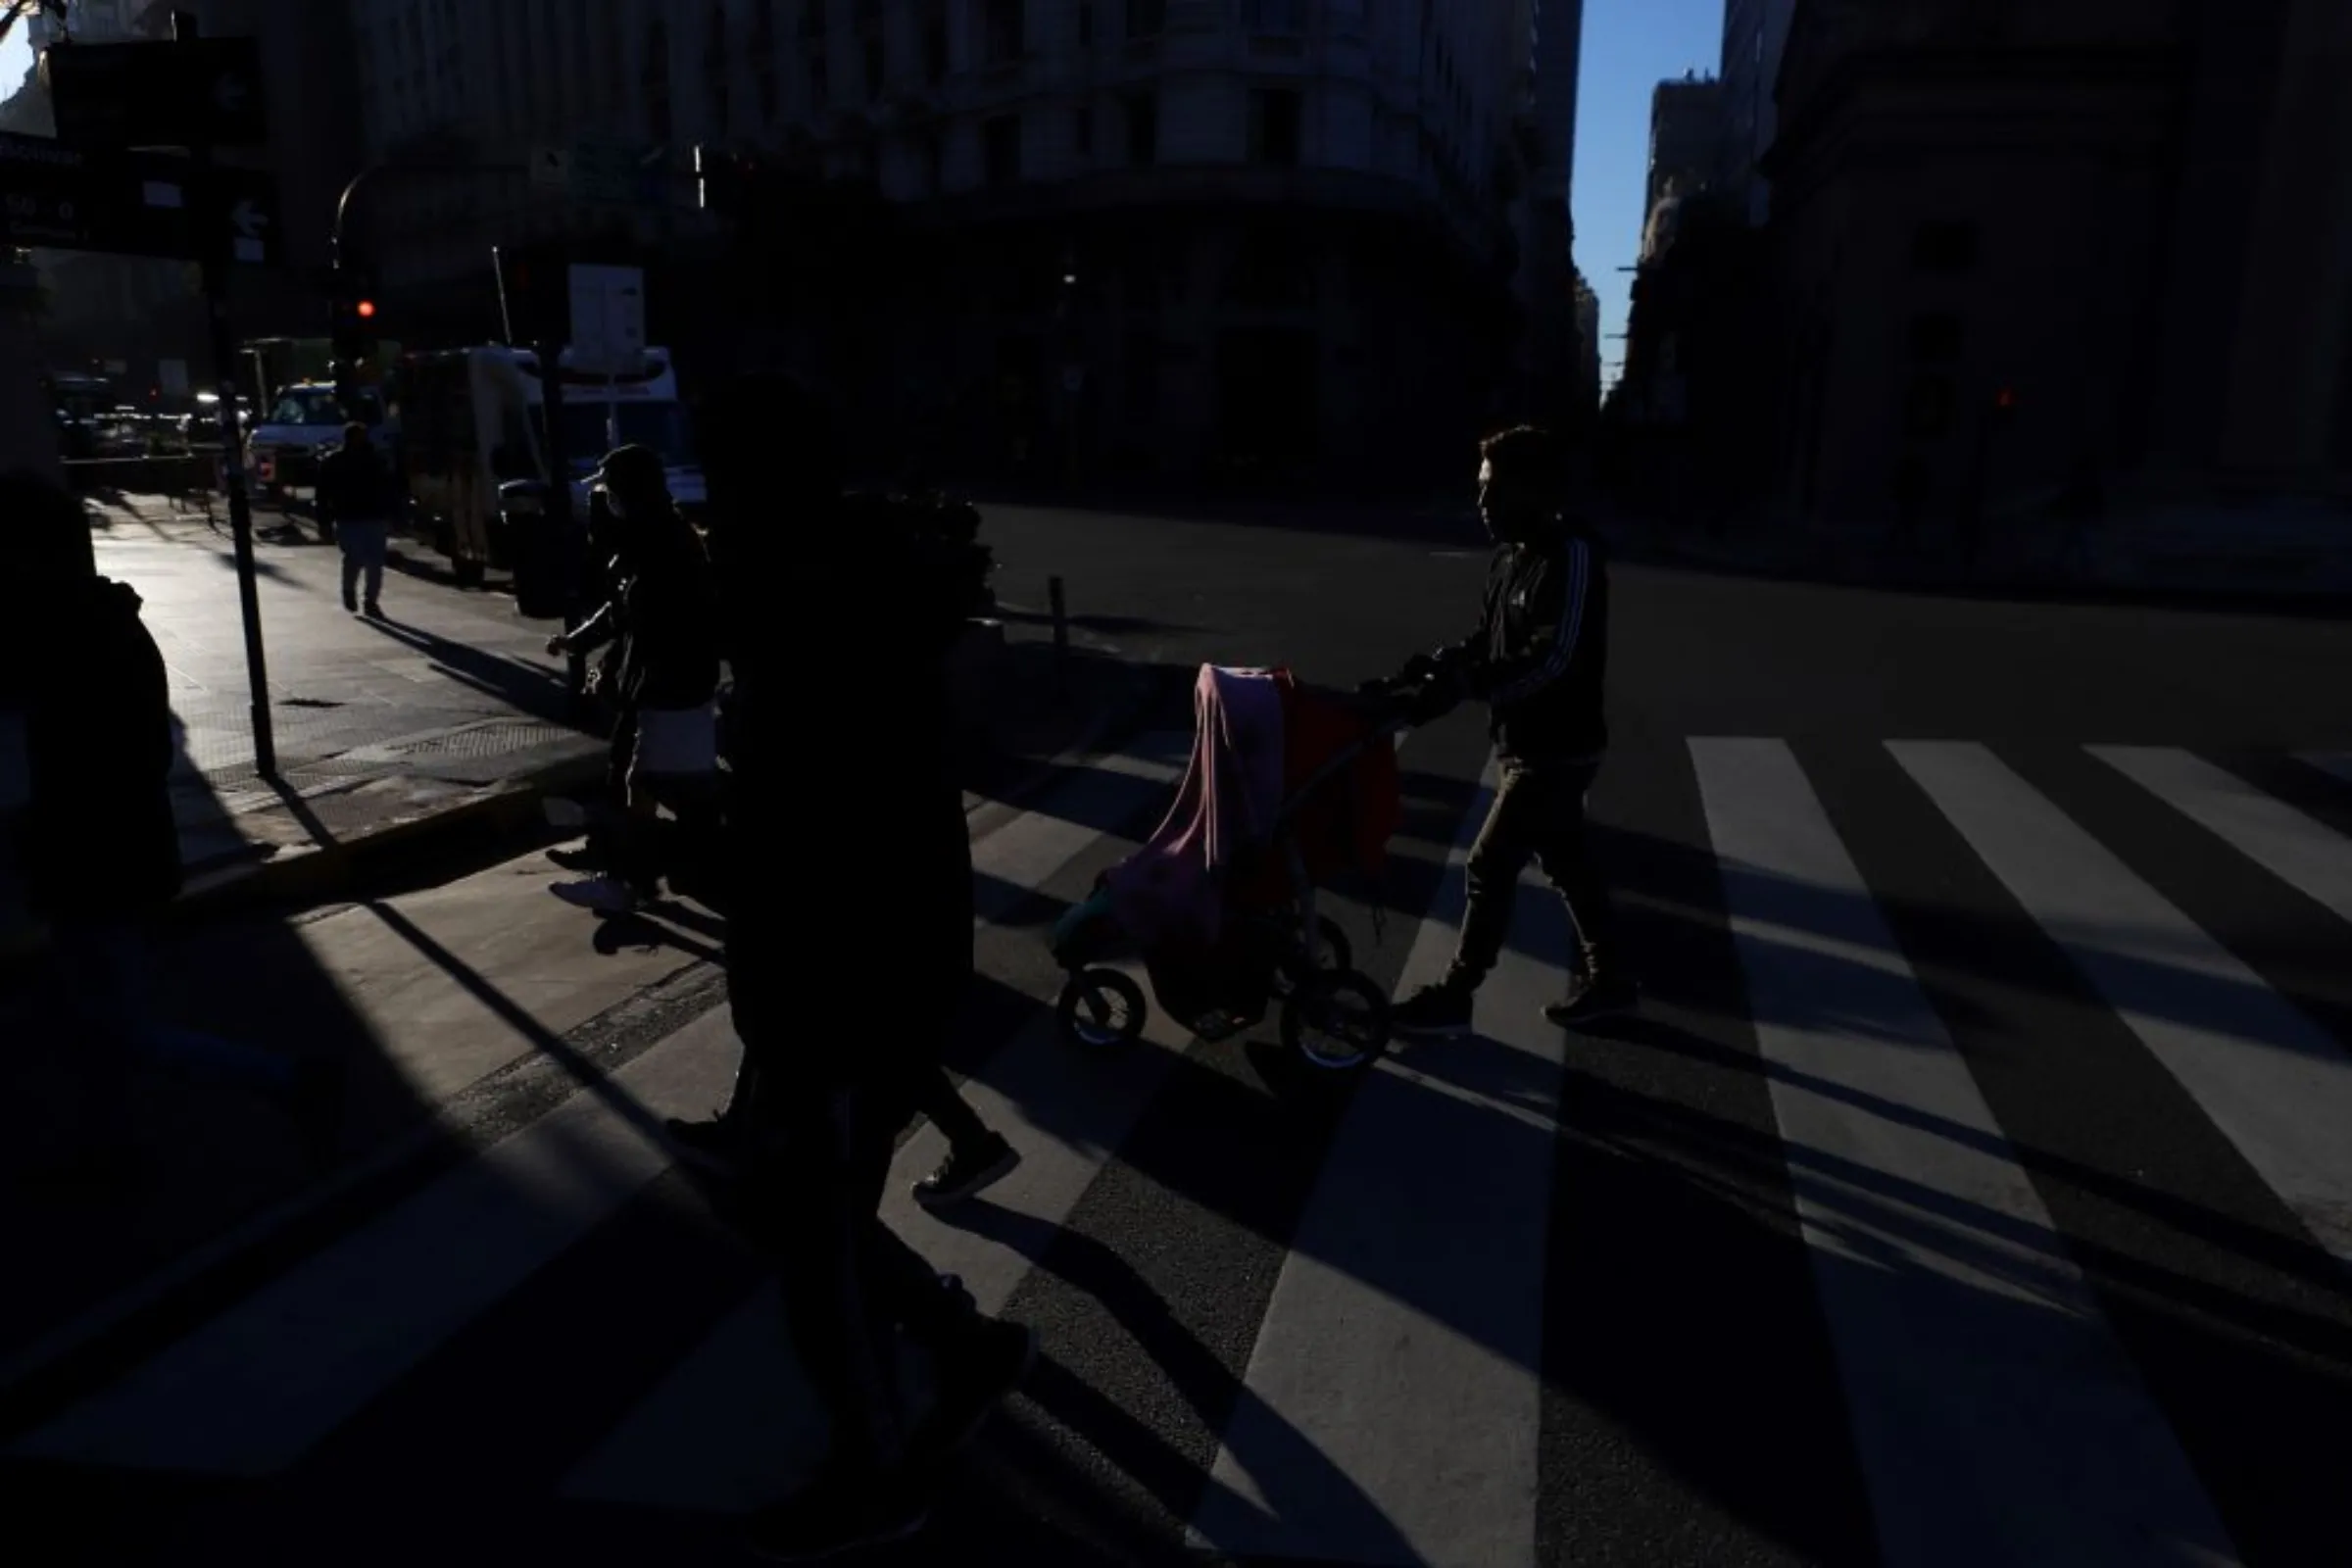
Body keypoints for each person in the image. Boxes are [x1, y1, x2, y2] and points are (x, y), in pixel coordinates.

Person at [692, 373, 1035, 1562]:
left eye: (718, 476)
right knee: (793, 1208)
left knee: (814, 1235)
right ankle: (961, 1345)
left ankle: (879, 1474)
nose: (707, 506)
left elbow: (820, 811)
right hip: (836, 958)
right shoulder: (825, 584)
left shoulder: (806, 598)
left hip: (843, 971)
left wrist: (687, 841)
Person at [0, 470, 338, 1180]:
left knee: (111, 1021)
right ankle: (113, 1142)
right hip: (103, 848)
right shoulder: (91, 624)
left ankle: (281, 1082)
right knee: (97, 1016)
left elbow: (105, 757)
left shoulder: (70, 636)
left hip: (94, 853)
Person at [1373, 426, 1640, 1036]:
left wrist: (1469, 685)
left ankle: (1455, 994)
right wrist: (1441, 663)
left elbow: (1554, 658)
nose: (1482, 505)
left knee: (1490, 864)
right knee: (1568, 860)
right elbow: (1489, 641)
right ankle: (1613, 981)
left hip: (1558, 746)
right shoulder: (1510, 558)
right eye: (1480, 490)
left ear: (1534, 488)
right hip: (1521, 742)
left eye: (1493, 491)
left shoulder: (1568, 554)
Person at [546, 446, 723, 913]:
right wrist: (583, 643)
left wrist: (610, 665)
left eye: (609, 492)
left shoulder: (660, 542)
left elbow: (653, 621)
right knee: (650, 783)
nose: (604, 501)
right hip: (668, 684)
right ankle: (631, 874)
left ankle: (629, 878)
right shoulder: (653, 535)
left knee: (651, 785)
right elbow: (625, 611)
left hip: (670, 686)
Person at [316, 421, 397, 616]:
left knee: (372, 562)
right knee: (358, 558)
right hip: (351, 516)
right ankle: (353, 592)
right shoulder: (340, 462)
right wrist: (324, 520)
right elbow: (323, 494)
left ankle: (369, 600)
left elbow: (388, 489)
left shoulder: (373, 460)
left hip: (366, 515)